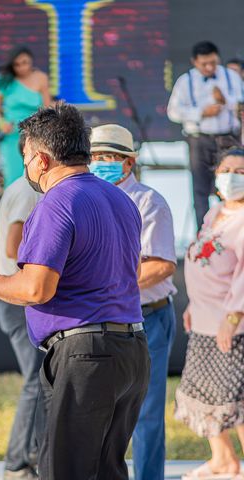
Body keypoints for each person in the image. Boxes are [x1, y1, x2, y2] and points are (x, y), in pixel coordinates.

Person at [0, 102, 149, 480]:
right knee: (107, 471)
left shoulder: (57, 201)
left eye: (24, 157)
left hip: (86, 354)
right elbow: (132, 272)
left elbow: (37, 288)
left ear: (40, 158)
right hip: (131, 348)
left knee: (63, 471)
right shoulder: (120, 199)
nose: (26, 167)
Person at [89, 124, 177, 480]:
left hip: (148, 318)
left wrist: (109, 289)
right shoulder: (84, 199)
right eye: (94, 157)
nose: (99, 164)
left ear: (128, 162)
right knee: (98, 412)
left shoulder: (148, 201)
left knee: (146, 413)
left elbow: (161, 265)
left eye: (107, 157)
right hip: (100, 320)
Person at [175, 147, 244, 480]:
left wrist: (232, 319)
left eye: (240, 172)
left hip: (230, 324)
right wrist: (192, 303)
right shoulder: (214, 213)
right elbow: (203, 261)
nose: (231, 176)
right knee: (203, 393)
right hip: (202, 318)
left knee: (236, 401)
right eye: (226, 169)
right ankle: (223, 460)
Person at [0, 177, 44, 480]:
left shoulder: (22, 188)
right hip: (18, 300)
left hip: (17, 298)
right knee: (36, 382)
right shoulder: (28, 191)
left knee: (40, 380)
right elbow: (15, 247)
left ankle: (36, 456)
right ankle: (16, 463)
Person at [167, 41, 243, 230]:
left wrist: (226, 101)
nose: (209, 68)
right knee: (200, 190)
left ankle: (231, 229)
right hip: (199, 139)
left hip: (228, 138)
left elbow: (240, 102)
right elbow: (173, 111)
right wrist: (201, 112)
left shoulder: (231, 76)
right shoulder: (186, 81)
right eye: (204, 64)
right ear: (195, 62)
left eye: (213, 62)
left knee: (230, 185)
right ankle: (203, 234)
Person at [0, 46, 51, 188]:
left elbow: (47, 108)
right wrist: (1, 123)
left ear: (31, 61)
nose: (22, 67)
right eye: (17, 64)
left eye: (25, 62)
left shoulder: (41, 78)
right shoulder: (4, 81)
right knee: (13, 176)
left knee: (39, 173)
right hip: (12, 135)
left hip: (36, 134)